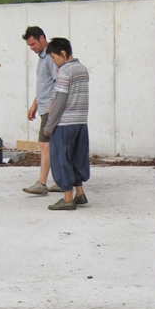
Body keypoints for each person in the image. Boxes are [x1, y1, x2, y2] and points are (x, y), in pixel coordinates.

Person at [43, 37, 90, 211]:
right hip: (80, 122)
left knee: (62, 158)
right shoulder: (82, 69)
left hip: (64, 124)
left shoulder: (64, 72)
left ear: (63, 53)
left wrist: (49, 126)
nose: (54, 63)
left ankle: (67, 198)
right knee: (77, 157)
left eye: (54, 58)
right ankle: (80, 193)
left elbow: (60, 100)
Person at [22, 25, 59, 196]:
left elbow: (57, 84)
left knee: (45, 144)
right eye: (30, 46)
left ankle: (42, 183)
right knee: (55, 145)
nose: (32, 49)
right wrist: (34, 105)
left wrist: (52, 108)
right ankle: (62, 181)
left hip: (50, 109)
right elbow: (45, 85)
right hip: (45, 107)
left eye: (33, 44)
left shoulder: (51, 58)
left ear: (42, 38)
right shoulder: (42, 58)